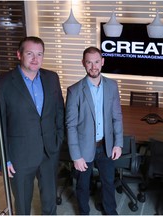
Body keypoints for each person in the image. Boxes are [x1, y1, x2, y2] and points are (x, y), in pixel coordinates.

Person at [0, 36, 64, 214]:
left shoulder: (52, 78)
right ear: (19, 54)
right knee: (22, 204)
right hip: (20, 155)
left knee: (50, 202)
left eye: (39, 54)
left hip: (49, 151)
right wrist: (2, 159)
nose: (35, 59)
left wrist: (59, 139)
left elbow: (59, 111)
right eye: (30, 53)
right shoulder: (3, 83)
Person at [65, 46, 123, 215]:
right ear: (83, 63)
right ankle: (83, 212)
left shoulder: (112, 86)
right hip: (83, 149)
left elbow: (117, 117)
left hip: (106, 145)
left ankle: (110, 211)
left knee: (109, 182)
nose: (93, 66)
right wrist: (76, 155)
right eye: (89, 62)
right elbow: (71, 125)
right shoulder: (74, 90)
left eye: (96, 62)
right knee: (83, 185)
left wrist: (118, 143)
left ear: (102, 62)